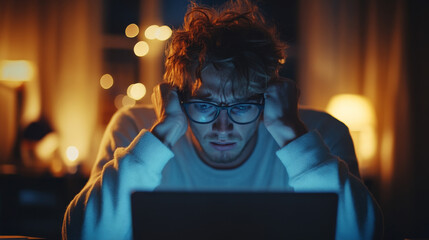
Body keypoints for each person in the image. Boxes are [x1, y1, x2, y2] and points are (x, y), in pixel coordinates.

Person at [63, 0, 383, 239]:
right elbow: (85, 234)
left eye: (242, 106)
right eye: (205, 105)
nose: (223, 127)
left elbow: (364, 235)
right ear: (177, 97)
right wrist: (161, 136)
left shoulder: (322, 133)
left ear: (268, 96)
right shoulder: (134, 128)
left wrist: (293, 136)